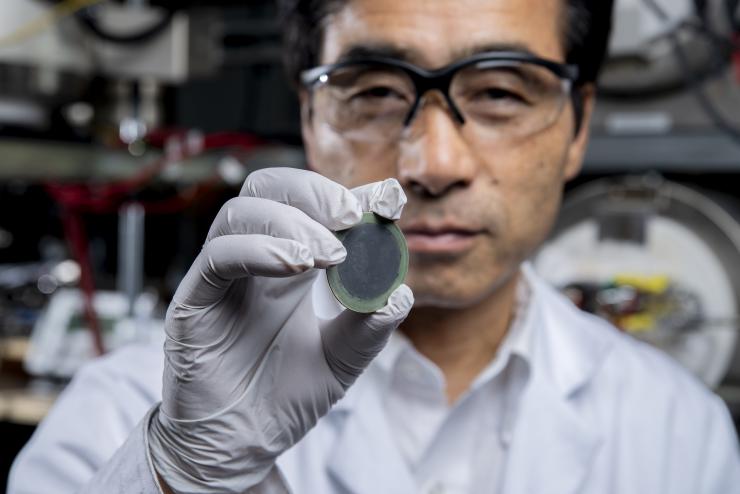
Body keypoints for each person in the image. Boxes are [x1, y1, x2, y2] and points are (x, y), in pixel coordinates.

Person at [9, 0, 740, 492]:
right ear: (308, 115)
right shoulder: (132, 411)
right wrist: (181, 473)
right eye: (374, 92)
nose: (432, 163)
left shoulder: (676, 429)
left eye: (500, 94)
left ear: (578, 125)